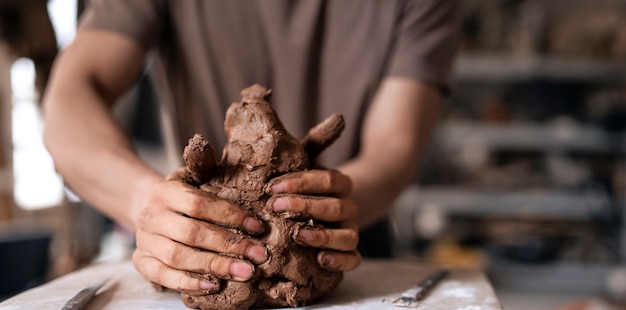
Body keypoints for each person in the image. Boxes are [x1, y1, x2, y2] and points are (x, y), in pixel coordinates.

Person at [42, 0, 458, 293]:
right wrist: (147, 201)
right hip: (201, 237)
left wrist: (323, 204)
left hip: (342, 232)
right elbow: (67, 104)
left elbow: (394, 145)